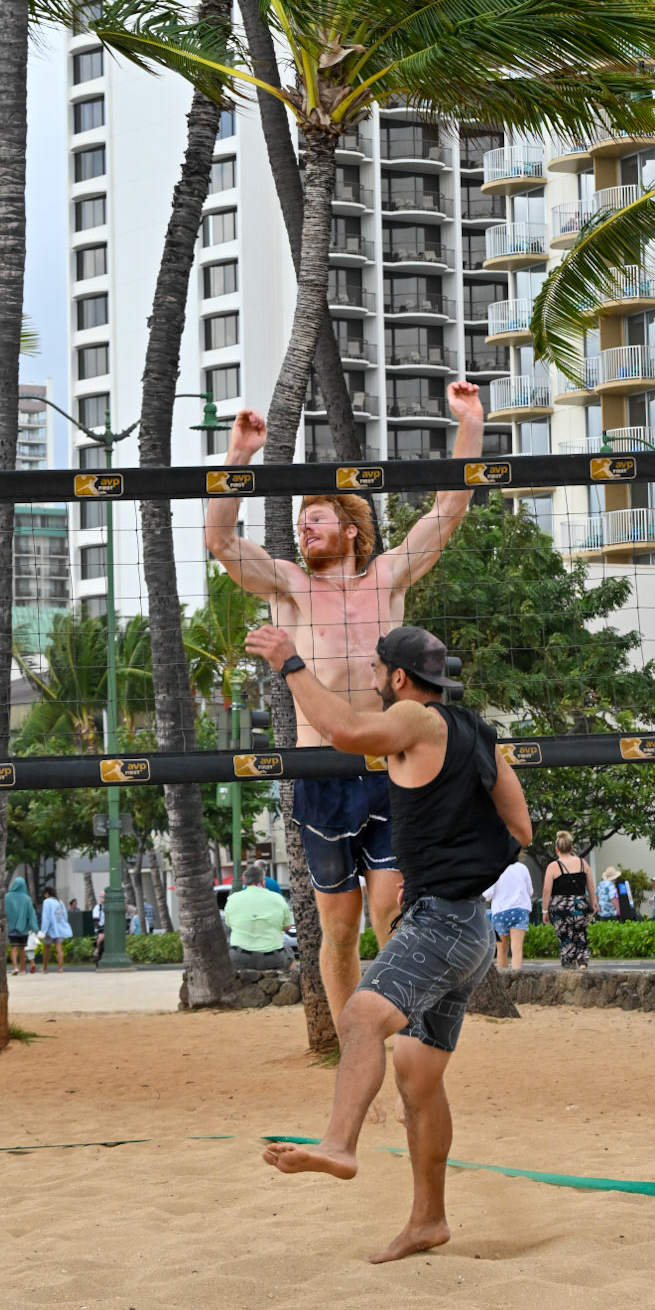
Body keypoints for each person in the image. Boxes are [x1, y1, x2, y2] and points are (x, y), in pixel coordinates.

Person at [204, 383, 485, 1033]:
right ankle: (352, 1040)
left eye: (316, 519)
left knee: (392, 910)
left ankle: (403, 1029)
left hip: (390, 763)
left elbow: (448, 510)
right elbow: (220, 542)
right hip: (321, 769)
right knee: (338, 928)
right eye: (302, 521)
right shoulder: (290, 585)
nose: (304, 527)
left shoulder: (386, 576)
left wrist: (468, 424)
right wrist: (237, 455)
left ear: (351, 530)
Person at [250, 622, 531, 1264]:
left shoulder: (414, 718)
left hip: (439, 925)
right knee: (418, 1076)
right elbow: (519, 824)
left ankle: (340, 1143)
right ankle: (428, 1220)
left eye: (378, 670)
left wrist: (290, 661)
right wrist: (450, 862)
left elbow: (346, 732)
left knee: (358, 1017)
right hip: (471, 926)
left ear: (400, 678)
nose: (372, 679)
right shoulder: (477, 732)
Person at [223, 862, 293, 972]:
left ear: (245, 882)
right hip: (272, 957)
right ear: (262, 881)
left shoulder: (232, 899)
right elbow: (287, 926)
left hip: (240, 956)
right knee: (290, 955)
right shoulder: (277, 898)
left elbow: (230, 923)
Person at [542, 832, 595, 969]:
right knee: (581, 934)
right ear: (572, 847)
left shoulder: (553, 866)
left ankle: (569, 965)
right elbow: (590, 885)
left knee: (565, 937)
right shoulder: (583, 863)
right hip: (580, 905)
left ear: (556, 849)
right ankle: (582, 961)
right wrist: (593, 902)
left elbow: (547, 890)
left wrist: (545, 910)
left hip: (560, 908)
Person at [484, 856, 533, 974]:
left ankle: (503, 983)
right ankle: (516, 980)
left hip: (500, 912)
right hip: (519, 910)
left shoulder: (495, 868)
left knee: (501, 950)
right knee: (517, 948)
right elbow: (530, 891)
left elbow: (487, 894)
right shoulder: (523, 868)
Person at [5, 875, 38, 977]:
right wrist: (35, 928)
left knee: (13, 947)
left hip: (11, 927)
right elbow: (31, 914)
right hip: (23, 928)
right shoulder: (26, 898)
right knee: (22, 948)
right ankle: (23, 969)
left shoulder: (7, 897)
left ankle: (15, 967)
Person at [38, 889, 70, 973]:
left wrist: (43, 930)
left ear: (47, 894)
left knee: (46, 948)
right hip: (59, 928)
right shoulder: (60, 901)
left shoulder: (47, 902)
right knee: (59, 948)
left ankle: (45, 968)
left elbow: (45, 917)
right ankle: (60, 968)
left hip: (50, 929)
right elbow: (65, 915)